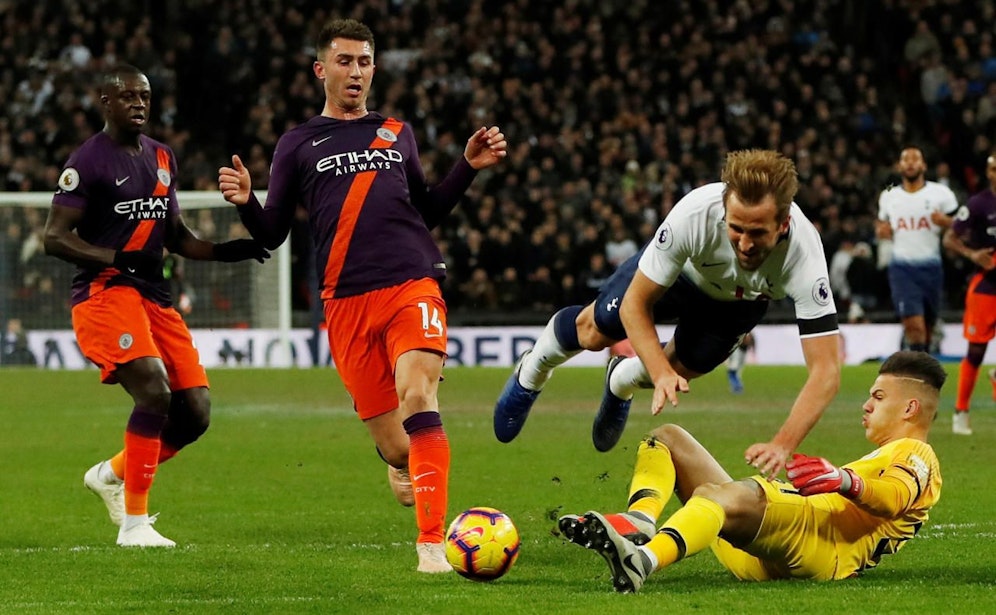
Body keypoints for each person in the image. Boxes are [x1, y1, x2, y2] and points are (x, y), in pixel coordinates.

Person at [216, 19, 507, 573]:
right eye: (345, 61)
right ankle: (396, 460)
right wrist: (247, 202)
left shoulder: (397, 131)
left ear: (375, 68)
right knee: (401, 446)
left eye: (366, 61)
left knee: (420, 397)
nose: (356, 71)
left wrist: (466, 168)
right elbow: (272, 233)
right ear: (320, 69)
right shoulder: (297, 143)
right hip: (345, 301)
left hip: (411, 282)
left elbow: (426, 210)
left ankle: (431, 547)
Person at [494, 149, 840, 478]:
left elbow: (825, 370)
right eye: (736, 228)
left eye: (758, 233)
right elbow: (635, 304)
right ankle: (533, 369)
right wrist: (658, 372)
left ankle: (621, 382)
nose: (745, 244)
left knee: (678, 373)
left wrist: (782, 445)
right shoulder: (694, 214)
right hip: (680, 277)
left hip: (738, 305)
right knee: (596, 332)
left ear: (783, 224)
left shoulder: (804, 256)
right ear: (723, 210)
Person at [44, 64, 270, 548]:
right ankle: (135, 525)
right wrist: (114, 257)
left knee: (196, 413)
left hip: (154, 298)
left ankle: (110, 474)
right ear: (105, 102)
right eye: (127, 96)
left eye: (144, 96)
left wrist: (225, 249)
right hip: (104, 294)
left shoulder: (163, 157)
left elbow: (175, 238)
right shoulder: (87, 161)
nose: (139, 103)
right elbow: (54, 238)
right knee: (153, 390)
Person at [559, 350, 945, 592]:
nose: (865, 405)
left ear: (910, 409)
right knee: (668, 438)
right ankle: (641, 521)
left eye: (877, 397)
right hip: (766, 554)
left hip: (817, 537)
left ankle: (642, 561)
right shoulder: (896, 453)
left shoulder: (917, 454)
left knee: (718, 494)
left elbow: (893, 498)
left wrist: (847, 480)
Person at [875, 146, 959, 352]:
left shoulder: (942, 194)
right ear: (899, 166)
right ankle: (918, 372)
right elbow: (881, 225)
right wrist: (881, 230)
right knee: (914, 325)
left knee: (928, 327)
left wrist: (946, 221)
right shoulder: (889, 195)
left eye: (915, 159)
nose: (910, 162)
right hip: (902, 269)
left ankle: (923, 365)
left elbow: (961, 224)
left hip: (932, 268)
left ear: (924, 165)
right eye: (906, 159)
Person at [941, 152, 996, 436]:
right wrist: (972, 253)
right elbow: (949, 238)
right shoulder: (978, 204)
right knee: (976, 351)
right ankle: (961, 411)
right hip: (987, 286)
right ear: (989, 172)